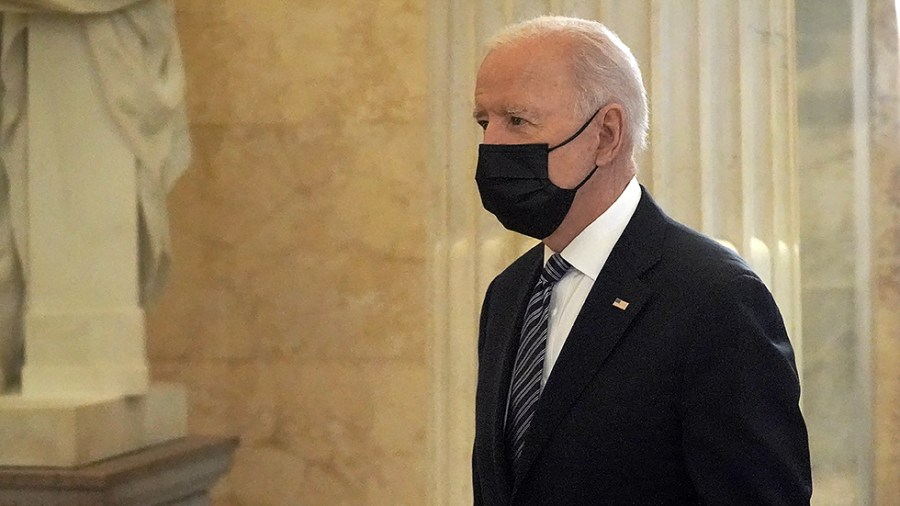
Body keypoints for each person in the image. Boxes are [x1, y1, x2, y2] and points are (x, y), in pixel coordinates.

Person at [471, 16, 812, 505]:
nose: (492, 146)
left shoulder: (714, 297)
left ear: (607, 134)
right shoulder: (509, 292)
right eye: (485, 122)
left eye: (518, 121)